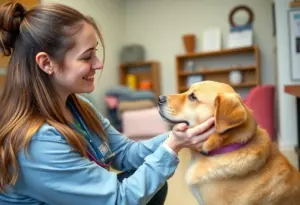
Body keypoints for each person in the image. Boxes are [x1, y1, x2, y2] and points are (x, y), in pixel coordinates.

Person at [0, 2, 215, 205]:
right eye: (87, 57)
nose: (99, 64)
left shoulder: (80, 107)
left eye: (95, 53)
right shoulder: (37, 142)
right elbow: (119, 200)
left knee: (153, 185)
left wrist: (177, 136)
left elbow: (124, 154)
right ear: (47, 63)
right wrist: (171, 147)